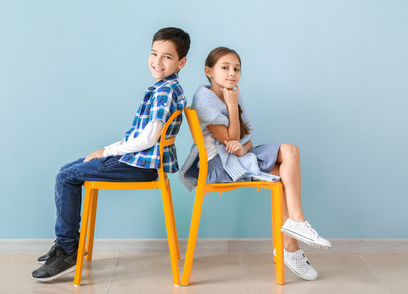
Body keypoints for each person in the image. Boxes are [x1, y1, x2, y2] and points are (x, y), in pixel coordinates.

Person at [32, 27, 191, 282]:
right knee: (70, 168)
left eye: (167, 57)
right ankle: (68, 245)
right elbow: (138, 136)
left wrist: (106, 151)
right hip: (140, 161)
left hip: (141, 166)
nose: (157, 62)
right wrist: (106, 150)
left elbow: (148, 138)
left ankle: (68, 249)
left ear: (182, 62)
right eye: (154, 54)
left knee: (66, 176)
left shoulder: (164, 91)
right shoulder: (168, 87)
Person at [179, 46, 331, 281]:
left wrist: (242, 145)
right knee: (283, 171)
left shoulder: (233, 93)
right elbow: (229, 139)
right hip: (219, 166)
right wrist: (232, 107)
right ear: (209, 71)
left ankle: (294, 230)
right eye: (225, 67)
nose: (232, 73)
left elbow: (244, 140)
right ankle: (292, 241)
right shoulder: (205, 97)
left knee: (290, 154)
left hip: (237, 157)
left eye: (237, 69)